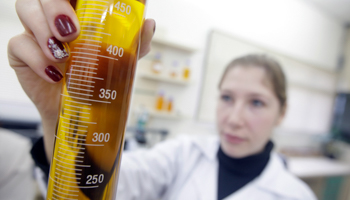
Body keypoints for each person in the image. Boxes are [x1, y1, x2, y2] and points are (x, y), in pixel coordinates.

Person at [8, 0, 316, 199]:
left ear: (282, 112)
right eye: (226, 97)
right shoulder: (182, 155)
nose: (234, 117)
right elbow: (101, 183)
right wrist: (58, 116)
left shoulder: (296, 195)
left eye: (257, 102)